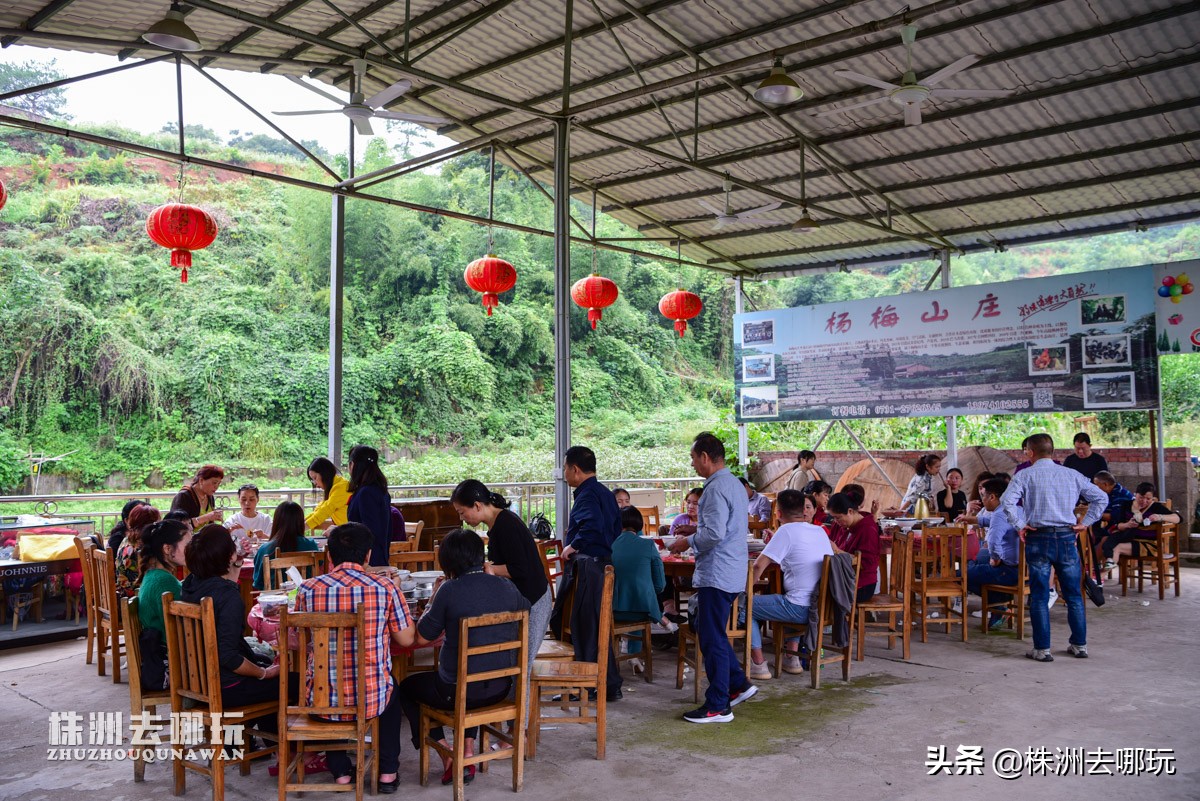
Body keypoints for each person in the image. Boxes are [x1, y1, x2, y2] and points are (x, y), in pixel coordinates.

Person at [396, 528, 527, 787]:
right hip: (501, 688)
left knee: (407, 688)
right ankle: (467, 749)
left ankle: (448, 754)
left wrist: (434, 596)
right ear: (481, 557)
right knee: (470, 680)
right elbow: (525, 609)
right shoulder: (507, 587)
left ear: (448, 562)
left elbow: (421, 638)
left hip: (459, 692)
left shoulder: (449, 590)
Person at [294, 522, 413, 791]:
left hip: (320, 703)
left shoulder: (308, 589)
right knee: (390, 689)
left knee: (326, 678)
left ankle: (341, 772)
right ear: (368, 555)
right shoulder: (385, 588)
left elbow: (297, 641)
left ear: (329, 555)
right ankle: (387, 774)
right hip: (370, 702)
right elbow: (406, 639)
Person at [668, 432, 755, 724]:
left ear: (705, 457)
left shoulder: (716, 489)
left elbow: (715, 533)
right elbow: (724, 528)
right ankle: (738, 685)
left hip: (718, 572)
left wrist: (687, 543)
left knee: (711, 636)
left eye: (693, 458)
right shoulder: (733, 484)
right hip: (730, 569)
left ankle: (718, 704)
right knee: (713, 632)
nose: (692, 464)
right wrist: (694, 534)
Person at [181, 525, 298, 736]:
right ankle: (293, 750)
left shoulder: (190, 584)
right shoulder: (228, 597)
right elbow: (229, 657)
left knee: (263, 659)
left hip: (197, 682)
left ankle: (267, 743)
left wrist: (232, 560)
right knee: (295, 682)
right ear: (227, 557)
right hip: (226, 687)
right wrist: (263, 674)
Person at [1000, 433, 1108, 662]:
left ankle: (1042, 649)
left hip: (1038, 538)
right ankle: (1079, 645)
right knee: (1073, 595)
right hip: (1068, 538)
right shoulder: (1072, 474)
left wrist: (1020, 525)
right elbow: (1101, 498)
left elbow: (1006, 502)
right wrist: (1085, 523)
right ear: (1052, 451)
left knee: (1039, 595)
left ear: (1030, 452)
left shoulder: (1025, 475)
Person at [450, 479, 551, 700]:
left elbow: (521, 568)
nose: (462, 519)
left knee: (520, 664)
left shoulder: (507, 525)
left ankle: (519, 730)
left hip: (535, 600)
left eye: (462, 512)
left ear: (477, 505)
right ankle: (510, 725)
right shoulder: (496, 525)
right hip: (520, 601)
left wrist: (490, 569)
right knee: (513, 660)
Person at [556, 445, 623, 701]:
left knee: (585, 627)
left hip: (589, 566)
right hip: (602, 562)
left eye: (564, 468)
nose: (564, 473)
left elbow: (592, 526)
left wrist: (573, 545)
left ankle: (589, 684)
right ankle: (607, 684)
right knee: (596, 627)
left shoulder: (586, 494)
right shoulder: (604, 492)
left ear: (574, 469)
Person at [743, 490, 832, 679]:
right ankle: (791, 658)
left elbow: (759, 565)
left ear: (778, 513)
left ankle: (758, 663)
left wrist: (744, 590)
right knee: (792, 595)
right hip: (821, 607)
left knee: (743, 605)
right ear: (803, 510)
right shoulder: (819, 531)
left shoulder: (786, 531)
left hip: (799, 608)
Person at [611, 506, 676, 671]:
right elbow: (660, 584)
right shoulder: (648, 546)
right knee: (640, 600)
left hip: (611, 609)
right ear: (639, 525)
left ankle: (632, 654)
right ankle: (659, 620)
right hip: (643, 609)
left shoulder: (608, 545)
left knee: (633, 597)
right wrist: (647, 591)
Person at [136, 519, 192, 690]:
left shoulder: (155, 575)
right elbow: (185, 631)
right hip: (174, 665)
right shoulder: (163, 582)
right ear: (167, 549)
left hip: (166, 657)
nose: (192, 550)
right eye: (188, 544)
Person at [965, 478, 1019, 630]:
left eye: (984, 496)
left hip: (1008, 571)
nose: (982, 500)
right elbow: (992, 522)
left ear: (993, 497)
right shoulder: (1014, 509)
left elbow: (994, 543)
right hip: (1024, 569)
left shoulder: (999, 514)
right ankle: (1000, 604)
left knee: (961, 574)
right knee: (976, 565)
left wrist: (995, 559)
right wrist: (973, 518)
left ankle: (999, 605)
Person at [1097, 482, 1180, 570]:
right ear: (1135, 495)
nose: (1144, 501)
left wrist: (1160, 517)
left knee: (1117, 548)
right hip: (1129, 538)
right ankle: (1094, 568)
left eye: (1148, 499)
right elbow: (1118, 525)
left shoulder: (1156, 507)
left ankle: (1100, 577)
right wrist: (1127, 524)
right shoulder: (1127, 505)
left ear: (1153, 498)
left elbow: (1178, 518)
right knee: (1105, 539)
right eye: (1141, 497)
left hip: (1149, 544)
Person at [825, 492, 881, 604]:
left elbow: (866, 564)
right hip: (844, 578)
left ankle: (836, 621)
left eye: (838, 518)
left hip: (861, 585)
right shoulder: (842, 525)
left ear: (850, 511)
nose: (836, 522)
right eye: (834, 518)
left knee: (821, 592)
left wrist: (837, 551)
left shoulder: (868, 529)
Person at [251, 501, 320, 590]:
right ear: (300, 522)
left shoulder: (265, 549)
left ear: (276, 522)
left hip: (274, 601)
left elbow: (258, 583)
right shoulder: (311, 545)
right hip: (306, 598)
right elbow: (319, 567)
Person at [346, 445, 393, 567]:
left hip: (368, 561)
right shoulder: (379, 490)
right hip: (377, 556)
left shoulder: (366, 493)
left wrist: (339, 531)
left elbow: (368, 531)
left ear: (352, 465)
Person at [1087, 472, 1134, 576]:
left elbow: (1114, 516)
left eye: (1096, 484)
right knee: (1090, 534)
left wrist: (1093, 512)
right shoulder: (1107, 493)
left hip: (1125, 528)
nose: (1094, 487)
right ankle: (1091, 566)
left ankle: (1091, 567)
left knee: (1104, 538)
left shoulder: (1120, 494)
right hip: (1112, 526)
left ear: (1105, 485)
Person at [115, 503, 162, 599]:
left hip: (122, 593)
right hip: (135, 597)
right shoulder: (142, 545)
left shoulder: (127, 539)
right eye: (157, 523)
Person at [170, 465, 225, 532]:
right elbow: (176, 525)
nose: (216, 487)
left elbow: (210, 525)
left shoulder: (209, 497)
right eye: (214, 483)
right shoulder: (184, 496)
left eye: (219, 484)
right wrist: (206, 517)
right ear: (201, 480)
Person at [305, 456, 350, 532]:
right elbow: (319, 510)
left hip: (352, 535)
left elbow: (326, 510)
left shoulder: (342, 487)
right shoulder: (334, 487)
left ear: (325, 474)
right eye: (312, 480)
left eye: (315, 478)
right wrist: (300, 523)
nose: (315, 483)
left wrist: (301, 528)